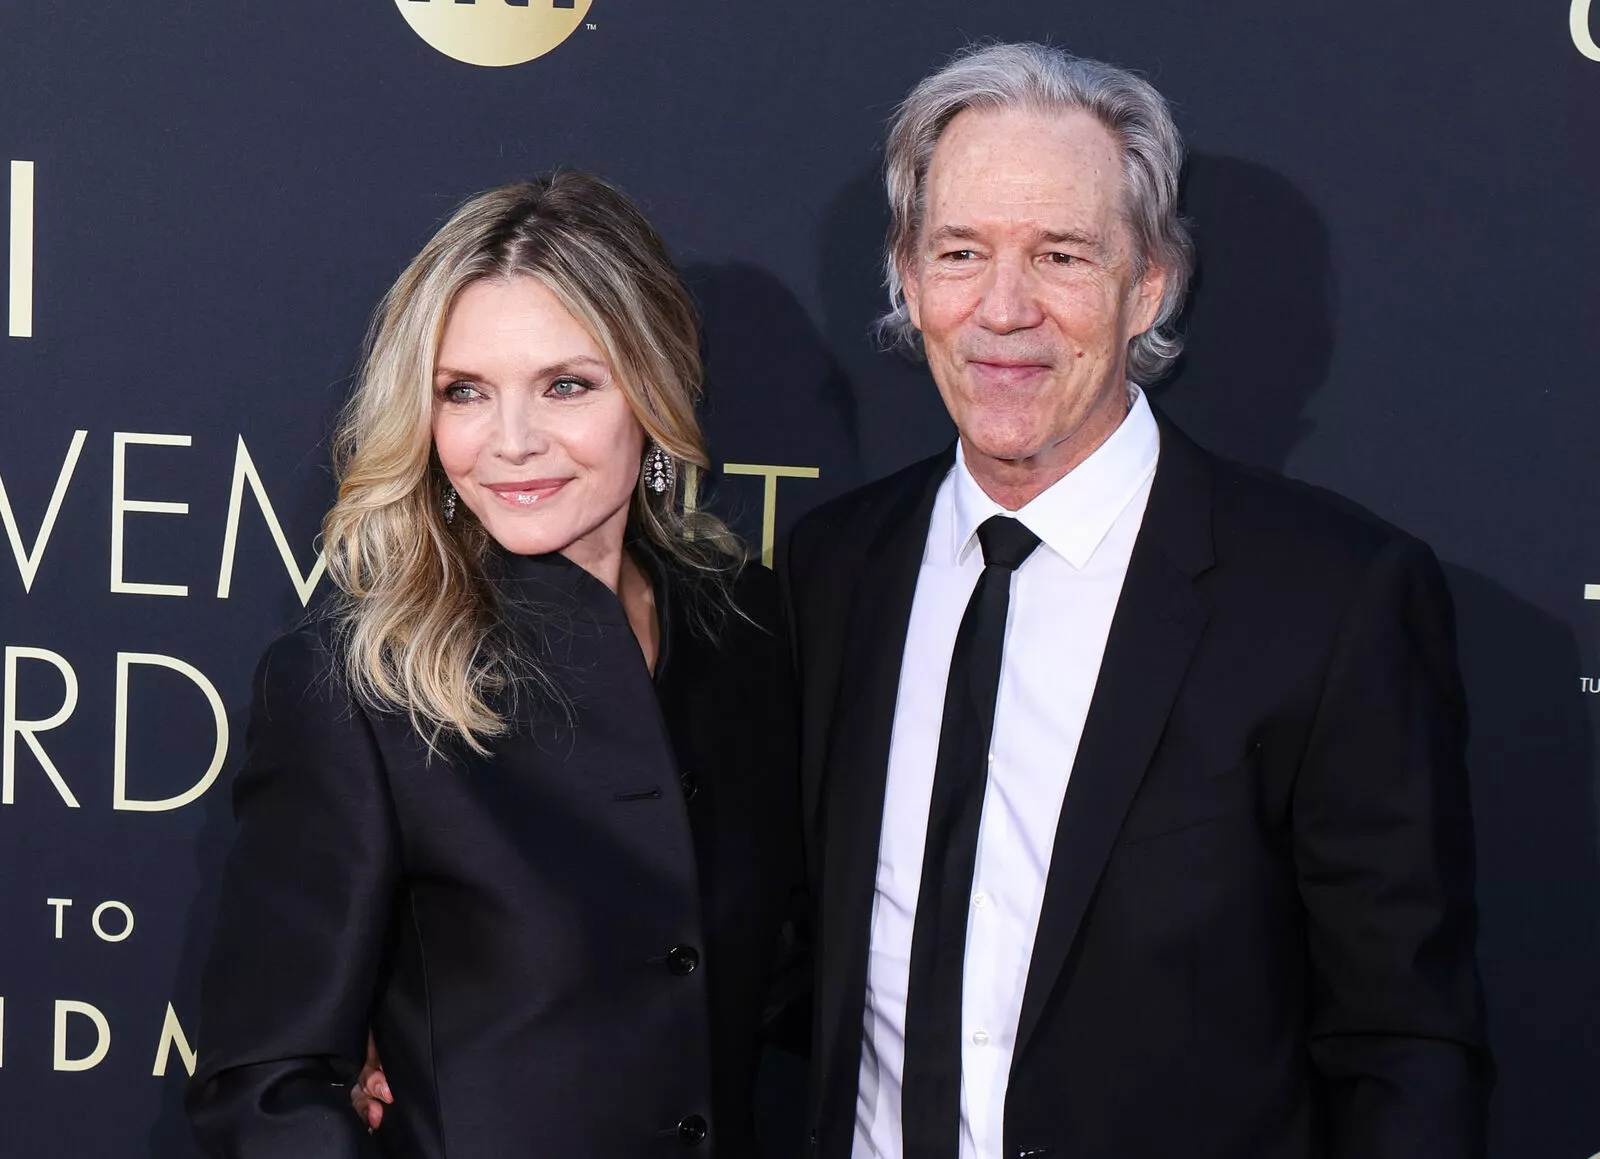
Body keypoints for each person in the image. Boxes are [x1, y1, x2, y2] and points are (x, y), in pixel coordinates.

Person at [783, 43, 1491, 1159]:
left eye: (1060, 255)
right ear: (908, 279)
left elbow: (1402, 1042)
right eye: (960, 252)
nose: (1002, 310)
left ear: (1149, 283)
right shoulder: (828, 573)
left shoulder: (1332, 599)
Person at [186, 171, 803, 1157]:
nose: (512, 442)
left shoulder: (752, 636)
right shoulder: (360, 684)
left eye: (566, 385)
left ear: (654, 390)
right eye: (464, 392)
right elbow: (264, 1092)